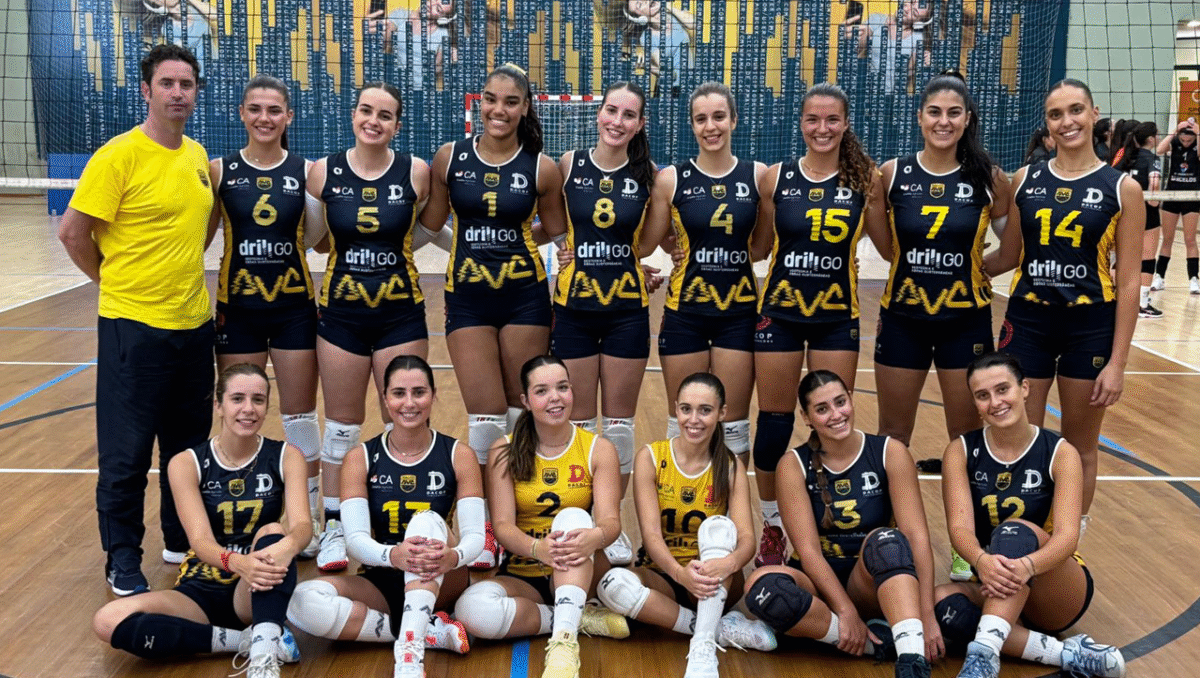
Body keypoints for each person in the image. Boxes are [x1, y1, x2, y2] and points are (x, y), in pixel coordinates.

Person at [58, 43, 215, 596]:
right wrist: (116, 283)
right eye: (167, 83)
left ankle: (180, 539)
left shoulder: (197, 156)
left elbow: (202, 228)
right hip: (134, 327)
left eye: (186, 84)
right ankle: (122, 557)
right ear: (146, 90)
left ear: (196, 92)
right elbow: (72, 233)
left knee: (187, 448)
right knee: (125, 454)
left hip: (193, 326)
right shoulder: (118, 155)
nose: (177, 93)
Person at [420, 63, 567, 568]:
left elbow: (555, 231)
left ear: (525, 108)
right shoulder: (450, 157)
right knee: (484, 417)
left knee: (520, 409)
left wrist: (518, 243)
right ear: (478, 102)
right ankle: (484, 525)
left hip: (525, 297)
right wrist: (462, 247)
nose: (498, 109)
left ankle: (520, 516)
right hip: (467, 298)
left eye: (510, 101)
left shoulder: (542, 168)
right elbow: (432, 224)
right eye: (490, 99)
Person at [986, 78, 1143, 520]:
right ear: (1047, 123)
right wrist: (950, 264)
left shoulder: (1123, 189)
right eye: (1055, 114)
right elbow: (1008, 256)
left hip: (1089, 326)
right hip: (1028, 322)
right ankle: (1018, 531)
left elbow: (1130, 281)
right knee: (1018, 437)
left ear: (1094, 115)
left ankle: (1070, 537)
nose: (1066, 121)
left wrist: (1117, 363)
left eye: (1076, 110)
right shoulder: (1025, 179)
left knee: (1079, 445)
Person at [91, 364, 312, 678]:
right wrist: (238, 562)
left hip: (253, 588)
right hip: (200, 587)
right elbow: (200, 542)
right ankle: (243, 641)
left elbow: (302, 527)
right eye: (237, 399)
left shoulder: (286, 455)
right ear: (218, 405)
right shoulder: (186, 462)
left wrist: (286, 547)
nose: (248, 409)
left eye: (258, 400)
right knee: (107, 620)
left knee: (274, 531)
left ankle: (263, 658)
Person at [751, 82, 883, 567]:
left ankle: (829, 523)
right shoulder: (777, 178)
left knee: (831, 424)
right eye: (813, 119)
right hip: (780, 313)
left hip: (836, 316)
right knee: (774, 423)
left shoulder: (867, 180)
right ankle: (772, 525)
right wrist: (684, 249)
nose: (822, 128)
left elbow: (891, 248)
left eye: (832, 120)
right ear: (801, 123)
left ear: (845, 124)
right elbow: (758, 247)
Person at [305, 82, 433, 575]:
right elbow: (314, 239)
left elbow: (430, 229)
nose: (373, 121)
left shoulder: (416, 172)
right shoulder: (323, 171)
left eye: (385, 115)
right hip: (341, 315)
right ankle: (336, 526)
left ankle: (394, 521)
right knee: (341, 428)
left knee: (403, 420)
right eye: (365, 110)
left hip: (401, 313)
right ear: (353, 114)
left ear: (397, 125)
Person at [287, 356, 482, 677]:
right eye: (399, 393)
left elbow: (476, 537)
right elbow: (355, 541)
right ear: (385, 398)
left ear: (434, 396)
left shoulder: (459, 454)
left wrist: (455, 556)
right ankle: (423, 632)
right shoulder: (360, 457)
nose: (409, 403)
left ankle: (410, 657)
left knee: (425, 520)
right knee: (302, 602)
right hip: (383, 575)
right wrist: (393, 555)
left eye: (419, 392)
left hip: (442, 573)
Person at [935, 353, 1126, 678]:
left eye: (1002, 389)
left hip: (1053, 584)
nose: (995, 402)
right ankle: (1066, 654)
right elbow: (960, 529)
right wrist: (981, 561)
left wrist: (1027, 566)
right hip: (996, 580)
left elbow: (1067, 537)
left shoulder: (1060, 452)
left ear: (1024, 388)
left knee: (1013, 531)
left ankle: (983, 657)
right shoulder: (961, 451)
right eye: (983, 395)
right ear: (976, 403)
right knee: (941, 603)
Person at [744, 369, 941, 678]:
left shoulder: (890, 452)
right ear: (806, 417)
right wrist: (845, 610)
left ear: (851, 398)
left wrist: (926, 613)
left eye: (840, 402)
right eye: (822, 409)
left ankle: (911, 661)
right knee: (760, 586)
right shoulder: (793, 465)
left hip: (872, 581)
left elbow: (916, 536)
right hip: (820, 585)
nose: (836, 415)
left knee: (887, 540)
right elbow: (809, 552)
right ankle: (876, 644)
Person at [454, 356, 630, 678]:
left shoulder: (598, 448)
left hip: (582, 568)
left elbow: (610, 522)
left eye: (562, 387)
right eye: (542, 391)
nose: (555, 398)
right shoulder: (504, 450)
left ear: (572, 390)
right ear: (525, 400)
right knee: (470, 611)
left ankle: (564, 644)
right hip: (526, 571)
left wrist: (595, 537)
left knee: (573, 518)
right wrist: (539, 549)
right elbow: (502, 526)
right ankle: (575, 618)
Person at [595, 373, 777, 678]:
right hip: (665, 576)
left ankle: (702, 649)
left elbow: (747, 538)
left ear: (721, 413)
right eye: (685, 409)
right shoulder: (651, 457)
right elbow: (651, 535)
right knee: (610, 584)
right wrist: (680, 574)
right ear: (675, 409)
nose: (694, 420)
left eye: (705, 410)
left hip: (714, 578)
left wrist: (728, 563)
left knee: (719, 527)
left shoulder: (730, 465)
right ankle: (713, 629)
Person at [208, 75, 323, 558]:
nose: (264, 118)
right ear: (241, 113)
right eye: (255, 109)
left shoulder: (307, 172)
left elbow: (317, 238)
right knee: (240, 411)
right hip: (238, 311)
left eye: (274, 110)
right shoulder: (218, 171)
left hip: (294, 310)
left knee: (299, 417)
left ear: (288, 116)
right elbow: (199, 236)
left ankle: (309, 519)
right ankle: (238, 515)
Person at [871, 73, 1009, 469]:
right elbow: (889, 249)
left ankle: (966, 511)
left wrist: (977, 270)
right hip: (903, 318)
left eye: (953, 113)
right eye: (934, 112)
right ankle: (889, 510)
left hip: (965, 321)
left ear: (967, 119)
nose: (943, 121)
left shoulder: (990, 179)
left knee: (966, 437)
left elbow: (1014, 249)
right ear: (920, 117)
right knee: (893, 434)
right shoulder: (892, 174)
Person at [638, 81, 768, 490]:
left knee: (733, 424)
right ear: (692, 125)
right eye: (701, 119)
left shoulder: (758, 176)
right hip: (685, 314)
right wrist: (573, 249)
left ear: (734, 120)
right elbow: (648, 241)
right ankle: (679, 502)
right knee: (684, 420)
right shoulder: (671, 180)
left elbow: (761, 247)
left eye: (718, 117)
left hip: (738, 314)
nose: (710, 127)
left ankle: (730, 509)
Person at [552, 80, 656, 566]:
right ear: (599, 113)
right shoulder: (567, 165)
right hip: (573, 308)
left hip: (626, 311)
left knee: (618, 426)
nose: (617, 121)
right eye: (611, 110)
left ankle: (609, 525)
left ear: (640, 124)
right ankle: (578, 520)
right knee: (575, 423)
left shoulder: (650, 176)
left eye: (628, 115)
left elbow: (660, 239)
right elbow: (547, 223)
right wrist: (557, 247)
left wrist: (658, 266)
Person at [1113, 121, 1164, 317]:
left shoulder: (1123, 156)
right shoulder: (1151, 158)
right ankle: (1142, 304)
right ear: (1151, 139)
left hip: (1122, 210)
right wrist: (1154, 201)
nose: (1158, 137)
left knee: (1121, 257)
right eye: (1157, 134)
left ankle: (1114, 298)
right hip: (1145, 212)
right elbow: (1154, 181)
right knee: (1147, 257)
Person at [1153, 118, 1200, 294]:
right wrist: (1174, 131)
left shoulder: (1197, 143)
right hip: (1172, 194)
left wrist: (1198, 133)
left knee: (1190, 239)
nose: (1185, 142)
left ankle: (1194, 279)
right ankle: (1160, 276)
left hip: (1191, 196)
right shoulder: (1174, 143)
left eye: (1189, 140)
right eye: (1183, 139)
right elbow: (1159, 150)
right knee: (1167, 239)